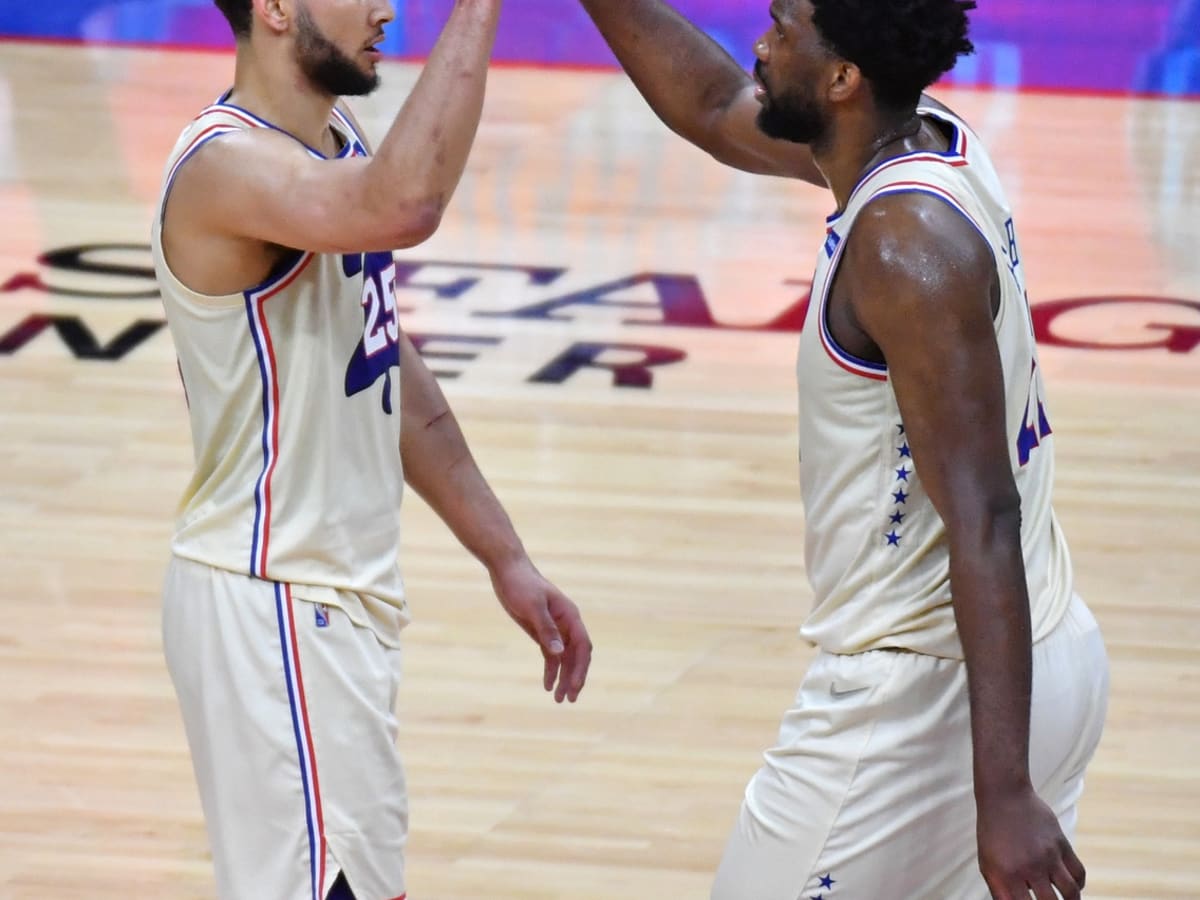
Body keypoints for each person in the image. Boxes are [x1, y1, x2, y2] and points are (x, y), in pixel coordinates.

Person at [574, 0, 1109, 897]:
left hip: (922, 694)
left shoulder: (902, 248)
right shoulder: (922, 137)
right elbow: (710, 106)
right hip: (1039, 654)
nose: (760, 43)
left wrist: (1004, 791)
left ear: (841, 78)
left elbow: (983, 517)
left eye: (784, 28)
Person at [150, 1, 593, 898]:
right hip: (270, 595)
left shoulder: (337, 134)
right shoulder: (222, 167)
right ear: (275, 7)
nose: (387, 8)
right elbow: (407, 202)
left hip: (333, 602)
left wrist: (503, 554)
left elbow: (382, 361)